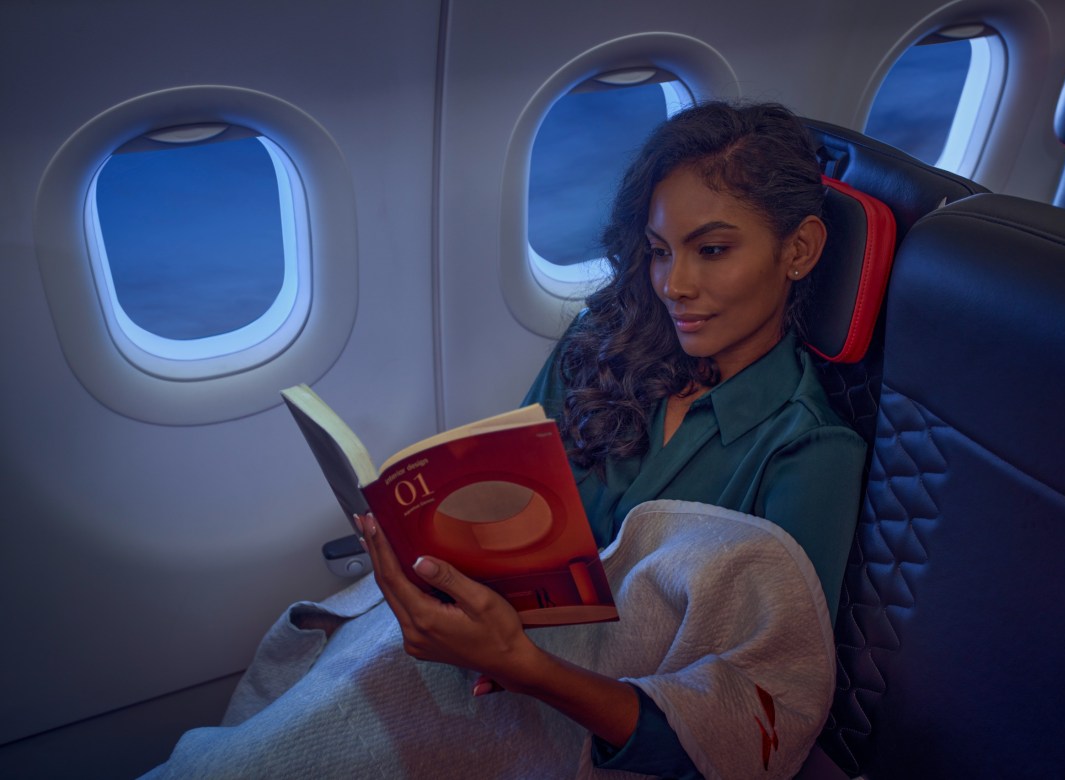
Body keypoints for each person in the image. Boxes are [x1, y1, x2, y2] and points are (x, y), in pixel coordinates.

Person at [142, 101, 866, 780]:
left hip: (561, 714)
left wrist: (521, 666)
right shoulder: (601, 347)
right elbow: (504, 508)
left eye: (710, 250)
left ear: (798, 249)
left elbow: (753, 719)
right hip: (474, 651)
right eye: (657, 251)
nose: (673, 284)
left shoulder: (807, 453)